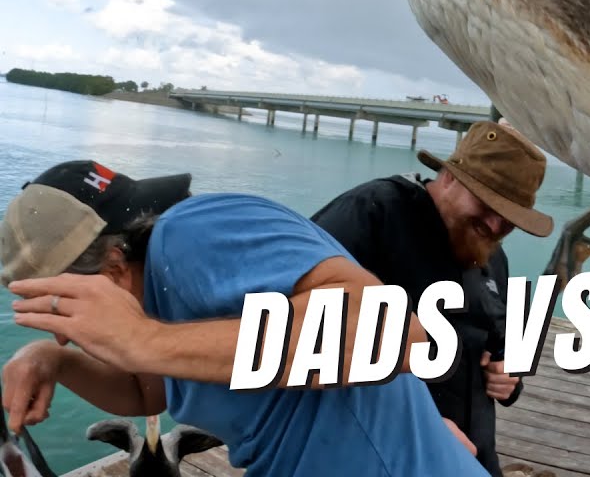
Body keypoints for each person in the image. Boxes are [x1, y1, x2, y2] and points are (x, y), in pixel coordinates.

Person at [0, 159, 488, 477]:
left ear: (109, 268)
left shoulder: (193, 231)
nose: (67, 334)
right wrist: (53, 363)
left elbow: (395, 334)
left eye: (60, 310)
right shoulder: (164, 297)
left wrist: (140, 339)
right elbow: (148, 389)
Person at [309, 120, 552, 477]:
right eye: (487, 204)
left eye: (511, 218)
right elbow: (289, 335)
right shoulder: (371, 213)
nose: (497, 226)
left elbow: (500, 349)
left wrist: (508, 379)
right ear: (450, 177)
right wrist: (414, 426)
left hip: (472, 460)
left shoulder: (491, 255)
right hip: (376, 455)